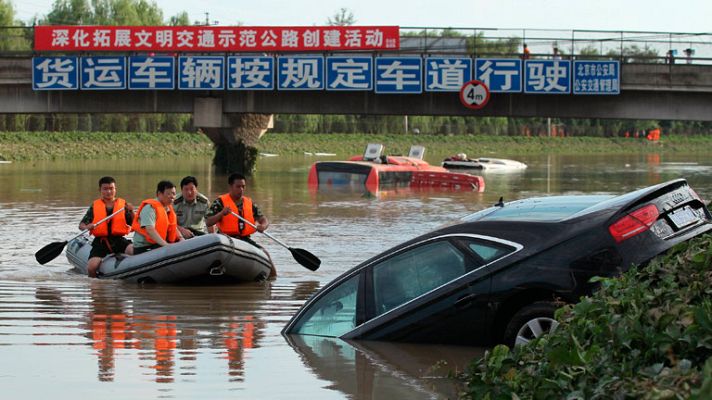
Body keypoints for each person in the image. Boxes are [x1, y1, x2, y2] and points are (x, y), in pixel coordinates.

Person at [205, 173, 276, 278]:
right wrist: (221, 214)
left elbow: (263, 219)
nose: (241, 189)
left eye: (243, 186)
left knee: (265, 254)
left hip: (245, 239)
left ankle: (273, 279)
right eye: (238, 186)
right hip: (226, 240)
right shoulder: (220, 202)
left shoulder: (249, 203)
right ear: (230, 187)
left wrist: (263, 226)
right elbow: (208, 222)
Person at [79, 176, 135, 278]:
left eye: (111, 188)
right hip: (101, 242)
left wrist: (131, 211)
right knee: (91, 267)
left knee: (134, 250)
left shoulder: (123, 205)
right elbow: (81, 225)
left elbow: (134, 223)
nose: (109, 191)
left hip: (118, 240)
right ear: (100, 190)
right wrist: (87, 227)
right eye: (105, 189)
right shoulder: (94, 206)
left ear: (115, 189)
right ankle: (96, 287)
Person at [132, 180, 184, 254]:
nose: (172, 197)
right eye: (168, 194)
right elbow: (150, 230)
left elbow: (173, 227)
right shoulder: (150, 208)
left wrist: (181, 238)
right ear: (159, 194)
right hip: (145, 247)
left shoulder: (168, 208)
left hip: (158, 244)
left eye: (174, 194)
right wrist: (166, 245)